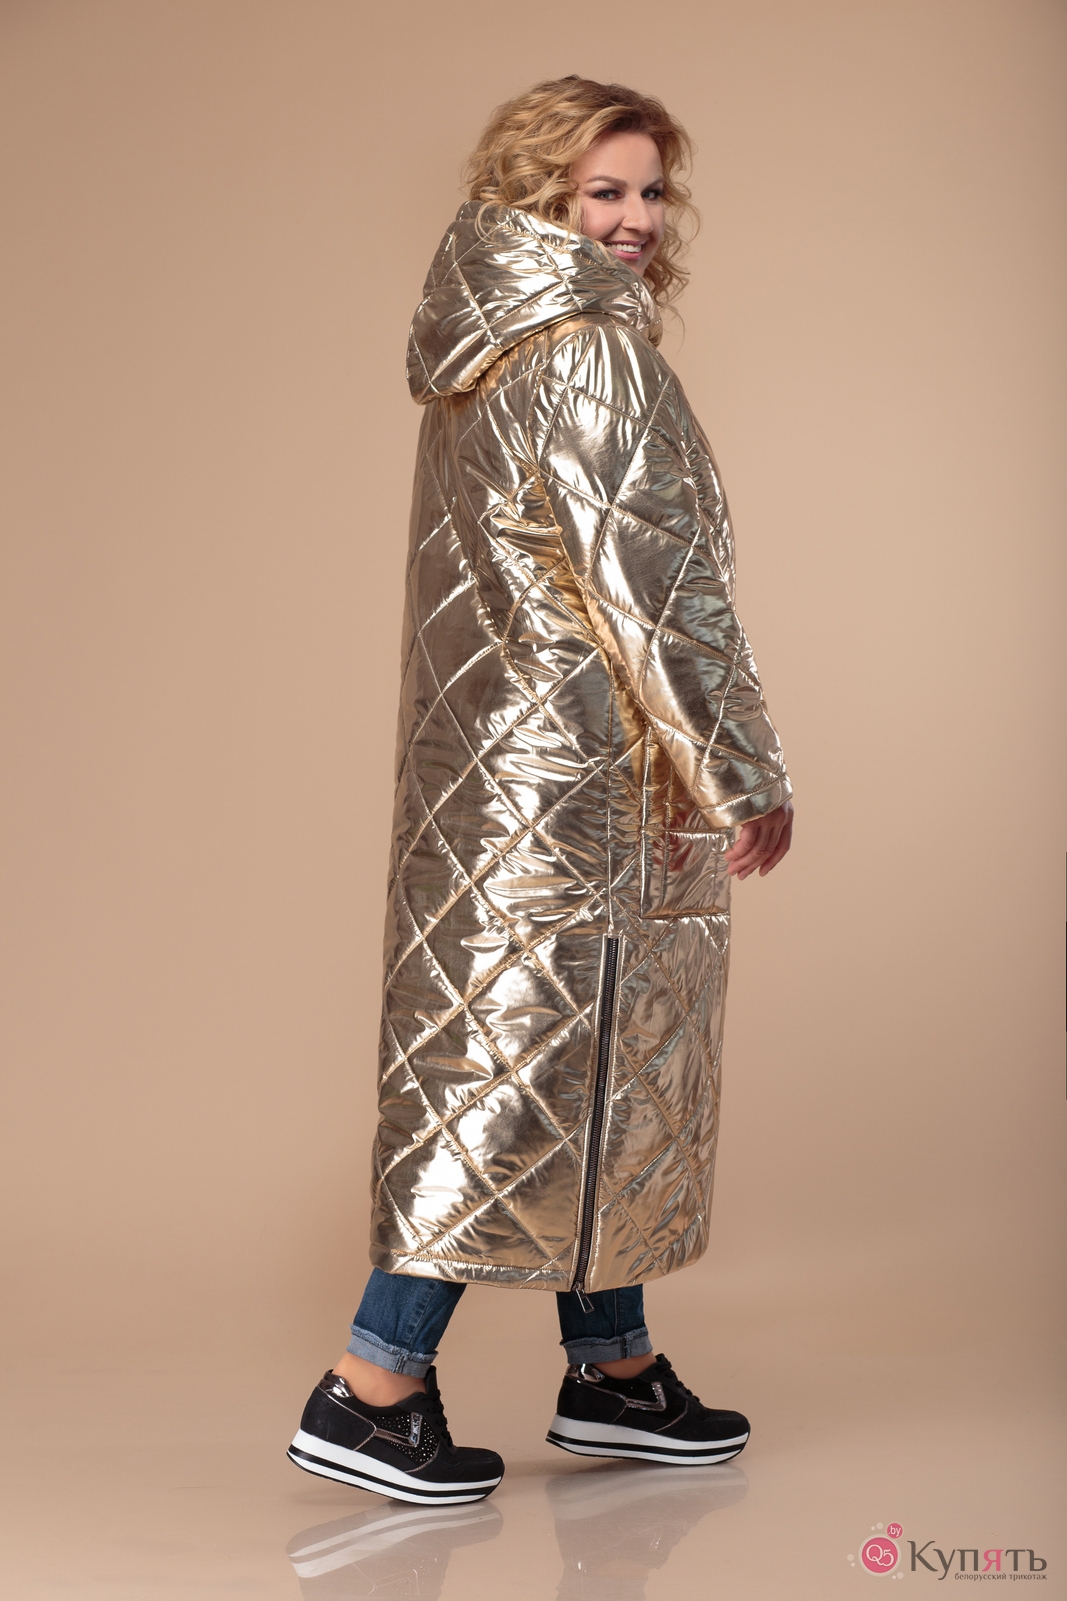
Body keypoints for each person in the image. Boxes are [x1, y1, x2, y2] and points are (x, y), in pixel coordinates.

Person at [288, 75, 792, 1506]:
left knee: (579, 1060)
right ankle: (372, 1383)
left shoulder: (486, 348)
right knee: (514, 1076)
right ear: (538, 200)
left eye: (649, 191)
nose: (634, 218)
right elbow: (656, 591)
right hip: (583, 784)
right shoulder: (586, 355)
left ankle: (614, 1369)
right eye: (601, 192)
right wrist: (742, 768)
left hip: (492, 775)